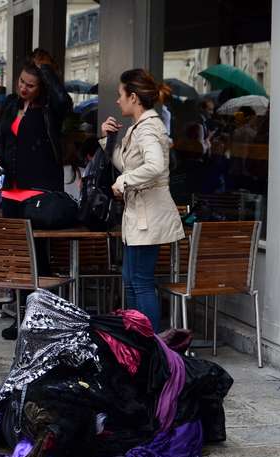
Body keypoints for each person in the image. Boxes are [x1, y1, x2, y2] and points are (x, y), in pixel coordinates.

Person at [0, 48, 72, 340]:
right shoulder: (11, 103)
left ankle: (43, 317)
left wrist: (46, 70)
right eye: (22, 82)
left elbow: (65, 102)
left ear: (43, 85)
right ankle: (21, 317)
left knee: (41, 256)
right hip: (12, 188)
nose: (24, 88)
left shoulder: (50, 106)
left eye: (30, 84)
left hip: (40, 190)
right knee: (18, 256)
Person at [101, 68, 185, 331]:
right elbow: (126, 165)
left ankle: (151, 344)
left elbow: (156, 165)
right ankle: (140, 339)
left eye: (120, 95)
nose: (118, 100)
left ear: (133, 97)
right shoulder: (140, 127)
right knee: (131, 280)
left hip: (148, 215)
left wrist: (123, 182)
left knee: (140, 281)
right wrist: (108, 140)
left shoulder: (147, 127)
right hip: (139, 215)